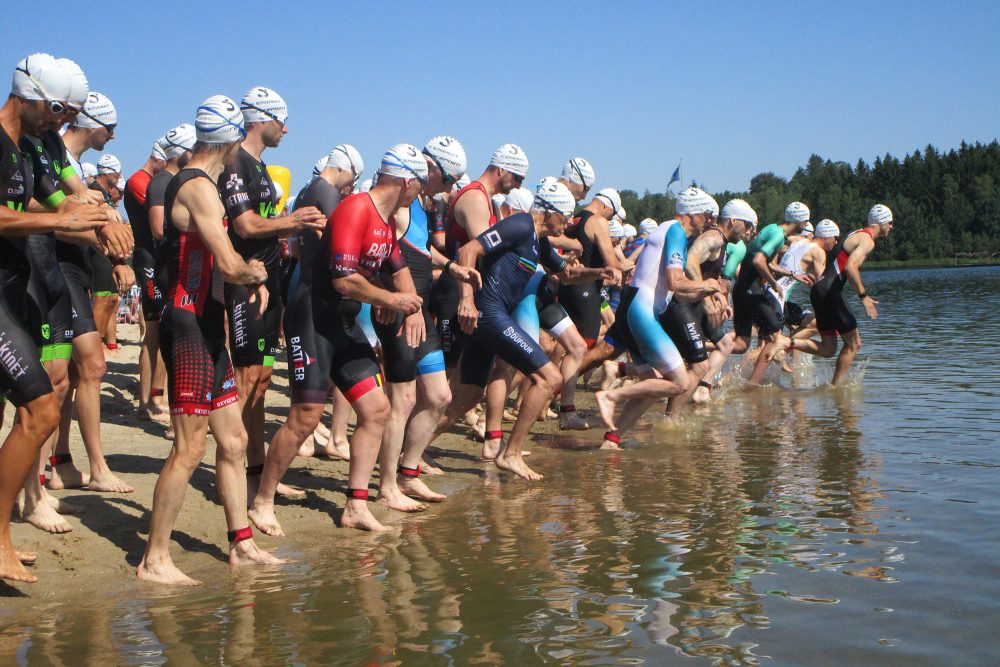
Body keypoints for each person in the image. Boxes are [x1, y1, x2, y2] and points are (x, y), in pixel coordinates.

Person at [137, 95, 285, 586]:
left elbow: (225, 266)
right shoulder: (198, 188)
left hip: (207, 325)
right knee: (188, 447)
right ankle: (155, 558)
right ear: (228, 139)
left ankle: (241, 542)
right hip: (187, 326)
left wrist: (249, 279)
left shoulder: (207, 183)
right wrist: (254, 272)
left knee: (235, 438)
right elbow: (227, 262)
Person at [248, 143, 428, 535]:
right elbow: (343, 279)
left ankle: (356, 505)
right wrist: (388, 299)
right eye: (421, 184)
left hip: (343, 324)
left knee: (377, 409)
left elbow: (397, 268)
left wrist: (409, 308)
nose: (422, 192)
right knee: (306, 416)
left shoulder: (384, 220)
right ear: (407, 181)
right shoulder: (356, 209)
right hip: (311, 319)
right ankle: (262, 500)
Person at [1, 52, 108, 582]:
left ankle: (1, 535)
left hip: (16, 290)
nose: (62, 124)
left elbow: (63, 201)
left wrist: (96, 218)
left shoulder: (33, 146)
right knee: (42, 408)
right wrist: (64, 217)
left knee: (37, 408)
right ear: (33, 95)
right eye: (59, 111)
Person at [434, 180, 615, 480]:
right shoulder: (519, 224)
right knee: (549, 376)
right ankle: (512, 454)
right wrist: (466, 300)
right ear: (549, 211)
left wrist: (598, 272)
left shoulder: (538, 239)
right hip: (488, 313)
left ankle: (409, 456)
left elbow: (566, 274)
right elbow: (469, 250)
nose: (570, 223)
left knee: (466, 398)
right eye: (566, 216)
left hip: (492, 316)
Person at [219, 87, 325, 501]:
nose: (286, 128)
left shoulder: (261, 166)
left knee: (263, 380)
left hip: (270, 281)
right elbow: (243, 226)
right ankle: (230, 470)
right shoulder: (236, 163)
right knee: (246, 379)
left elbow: (262, 219)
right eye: (282, 120)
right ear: (262, 119)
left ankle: (256, 470)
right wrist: (292, 223)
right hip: (243, 283)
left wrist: (289, 221)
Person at [373, 135, 479, 512]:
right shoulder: (399, 206)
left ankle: (408, 473)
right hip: (400, 312)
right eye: (448, 180)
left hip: (419, 311)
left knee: (438, 396)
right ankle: (387, 488)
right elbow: (378, 249)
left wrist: (453, 267)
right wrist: (385, 297)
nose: (449, 189)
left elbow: (421, 249)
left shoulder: (421, 205)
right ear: (430, 168)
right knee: (400, 401)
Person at [595, 188, 721, 448]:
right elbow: (676, 282)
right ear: (692, 212)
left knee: (653, 386)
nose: (708, 221)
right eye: (706, 215)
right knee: (679, 382)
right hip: (640, 310)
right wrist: (706, 284)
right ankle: (611, 396)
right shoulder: (675, 230)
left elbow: (674, 292)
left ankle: (612, 439)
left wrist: (705, 291)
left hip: (636, 307)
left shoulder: (668, 230)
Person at [287, 143, 364, 462]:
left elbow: (293, 247)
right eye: (353, 180)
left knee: (303, 379)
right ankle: (305, 441)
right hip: (313, 296)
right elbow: (340, 248)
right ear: (345, 169)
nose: (352, 188)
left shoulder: (307, 190)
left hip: (299, 285)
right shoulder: (328, 193)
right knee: (311, 384)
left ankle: (310, 435)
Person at [780, 206, 894, 385]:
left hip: (819, 291)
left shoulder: (855, 234)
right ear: (881, 222)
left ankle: (786, 342)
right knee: (854, 344)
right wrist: (863, 296)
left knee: (828, 348)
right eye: (890, 222)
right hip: (829, 293)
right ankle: (836, 388)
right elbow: (850, 267)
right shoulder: (867, 240)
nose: (891, 227)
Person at [130, 124, 196, 424]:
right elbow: (158, 229)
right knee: (154, 335)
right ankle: (148, 400)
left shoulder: (169, 181)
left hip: (161, 265)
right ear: (182, 153)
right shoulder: (161, 183)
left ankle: (153, 398)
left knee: (160, 336)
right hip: (153, 264)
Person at [731, 201, 813, 384]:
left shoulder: (772, 229)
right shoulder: (778, 236)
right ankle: (753, 384)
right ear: (798, 221)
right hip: (751, 290)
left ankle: (699, 349)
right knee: (776, 337)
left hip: (742, 290)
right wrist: (774, 283)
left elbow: (765, 262)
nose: (806, 225)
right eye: (806, 221)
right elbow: (759, 261)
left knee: (741, 344)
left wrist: (792, 274)